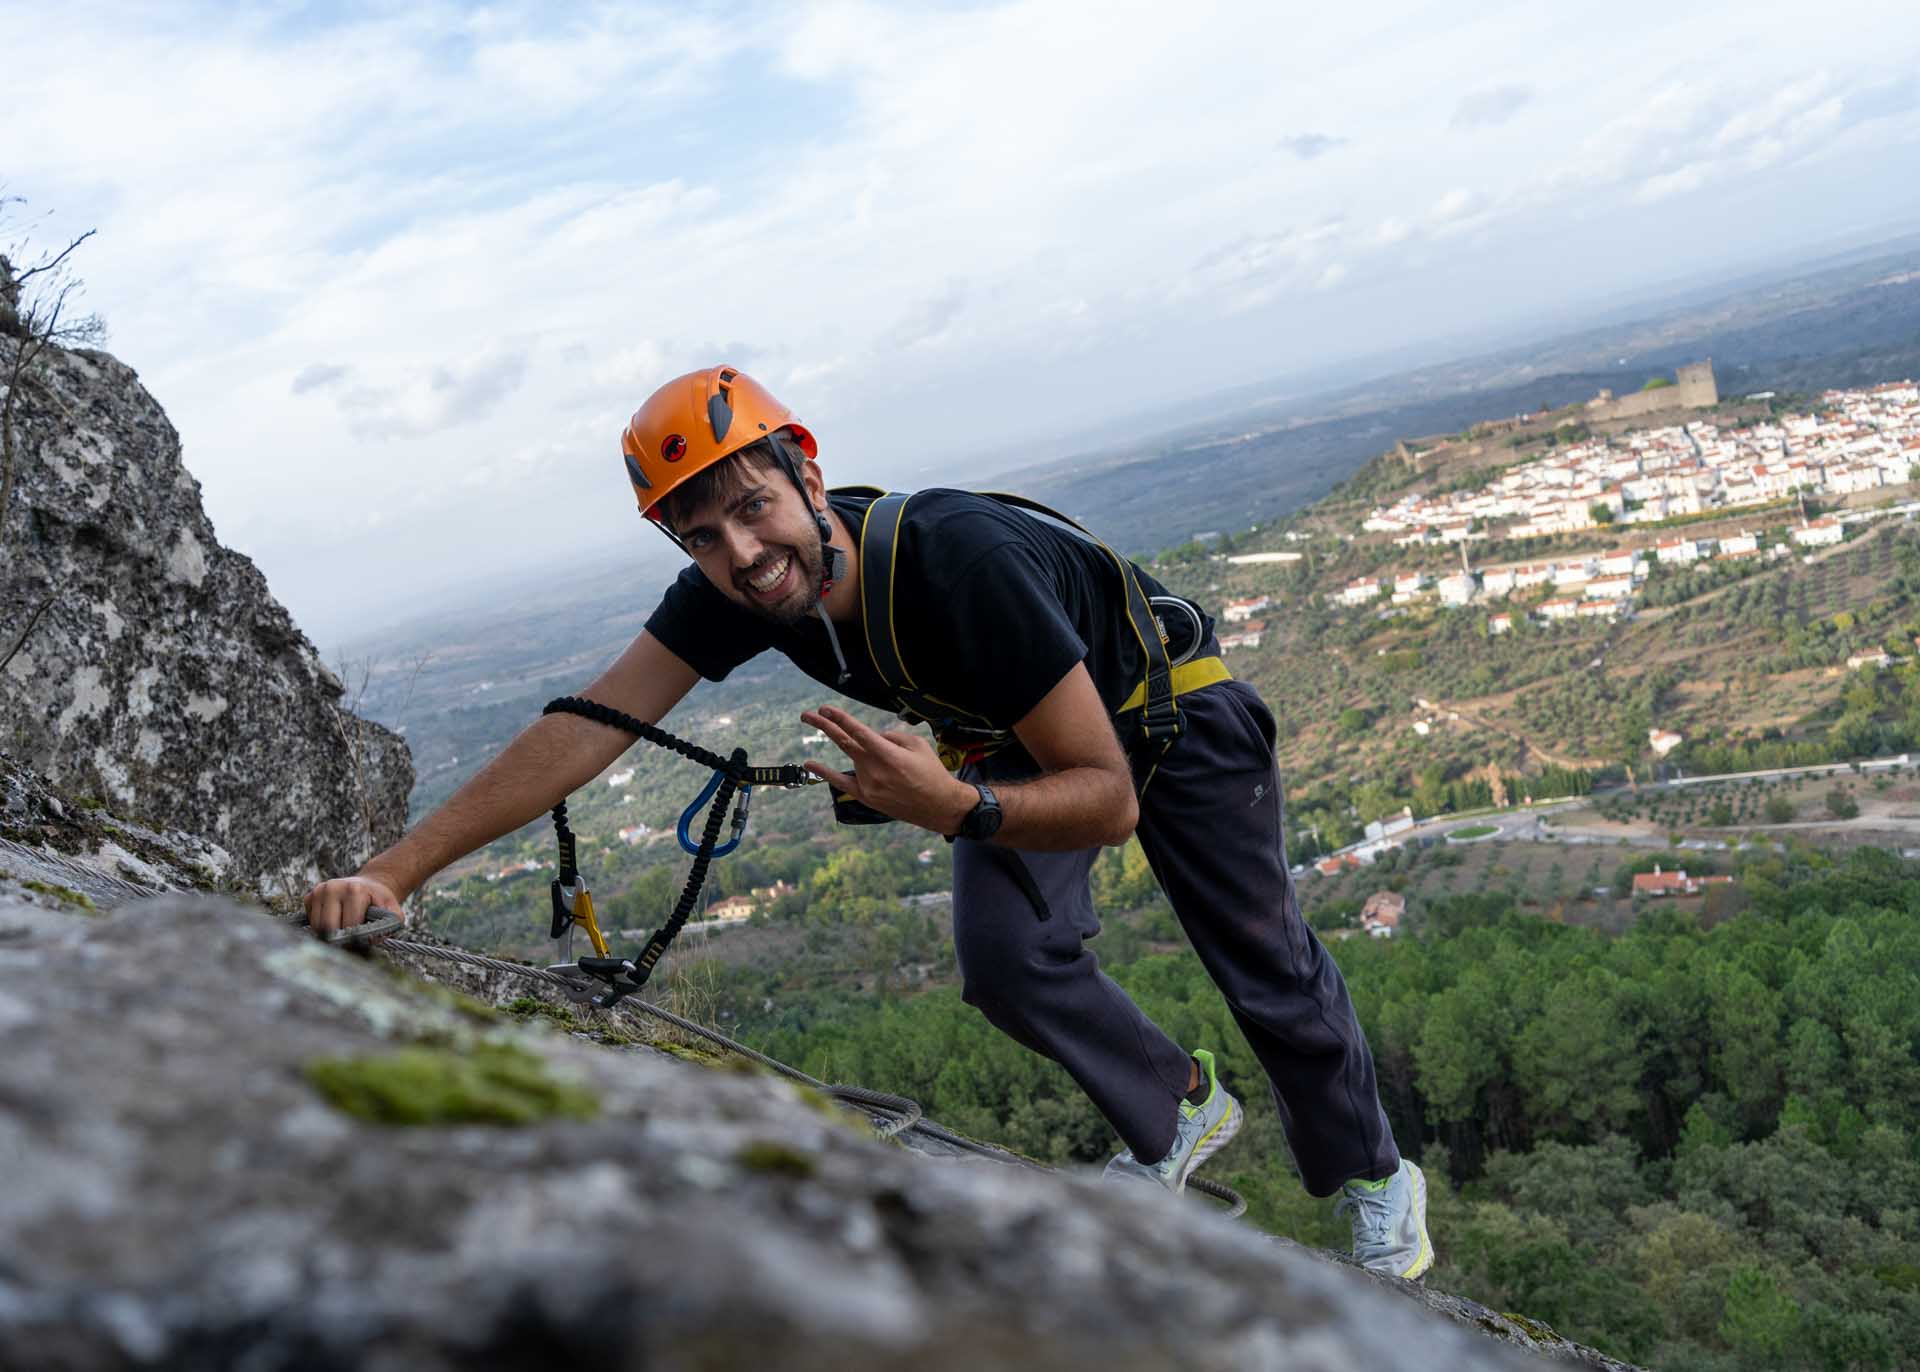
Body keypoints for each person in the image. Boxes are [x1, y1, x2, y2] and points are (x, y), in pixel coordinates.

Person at [306, 365, 1433, 1279]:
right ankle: (1177, 1107)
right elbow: (590, 725)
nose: (742, 554)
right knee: (1007, 958)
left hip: (1173, 716)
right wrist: (396, 871)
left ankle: (1378, 1179)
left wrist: (952, 804)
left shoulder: (958, 561)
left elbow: (1108, 796)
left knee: (1261, 960)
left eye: (753, 507)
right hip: (1015, 735)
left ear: (807, 474)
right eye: (701, 536)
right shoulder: (743, 593)